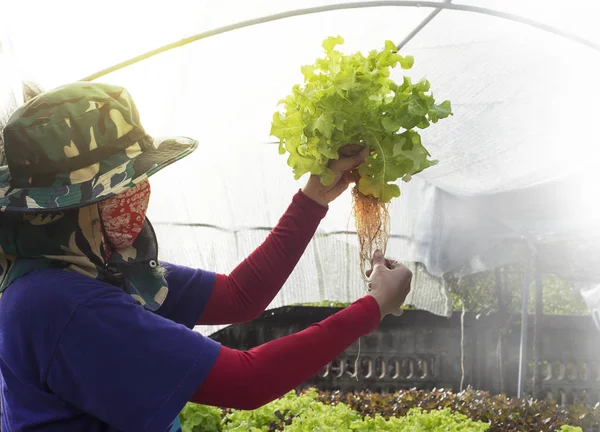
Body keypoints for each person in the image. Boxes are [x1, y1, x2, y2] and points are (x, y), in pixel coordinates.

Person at [0, 82, 412, 432]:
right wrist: (373, 308)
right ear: (68, 208)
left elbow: (239, 296)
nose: (139, 194)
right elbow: (247, 381)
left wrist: (314, 198)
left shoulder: (103, 269)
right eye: (123, 186)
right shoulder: (61, 304)